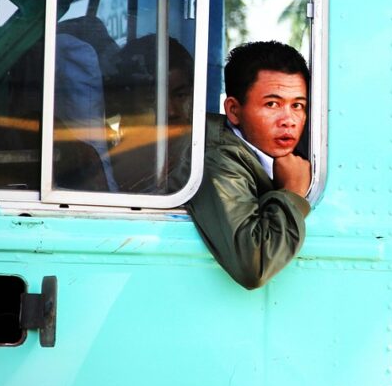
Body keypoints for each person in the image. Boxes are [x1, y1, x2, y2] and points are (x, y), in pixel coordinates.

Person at [188, 40, 312, 289]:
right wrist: (291, 193)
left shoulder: (279, 152)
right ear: (234, 111)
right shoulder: (218, 158)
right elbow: (253, 265)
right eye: (272, 104)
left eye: (297, 105)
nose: (288, 120)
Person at [109, 35, 195, 194]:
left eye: (180, 95)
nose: (171, 112)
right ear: (125, 105)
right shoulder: (104, 168)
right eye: (151, 99)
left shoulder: (205, 162)